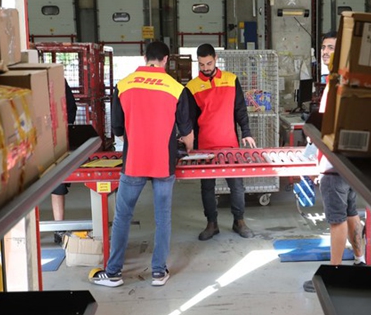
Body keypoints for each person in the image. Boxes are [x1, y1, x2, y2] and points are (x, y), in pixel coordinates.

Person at [91, 41, 194, 288]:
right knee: (163, 218)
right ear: (166, 60)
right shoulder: (176, 88)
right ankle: (159, 272)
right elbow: (187, 133)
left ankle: (113, 272)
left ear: (144, 57)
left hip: (134, 162)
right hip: (163, 164)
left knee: (123, 217)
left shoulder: (124, 85)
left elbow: (116, 130)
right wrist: (187, 148)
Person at [304, 32, 366, 294]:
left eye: (331, 48)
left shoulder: (336, 84)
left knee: (336, 221)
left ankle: (334, 273)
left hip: (333, 166)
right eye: (323, 48)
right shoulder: (343, 81)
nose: (326, 52)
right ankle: (360, 261)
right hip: (348, 164)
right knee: (352, 215)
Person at [186, 43, 257, 240]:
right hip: (205, 146)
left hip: (229, 143)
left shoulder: (231, 80)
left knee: (237, 186)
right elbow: (190, 120)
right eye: (201, 64)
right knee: (207, 187)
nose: (205, 68)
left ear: (215, 59)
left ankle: (239, 221)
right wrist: (190, 145)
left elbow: (240, 110)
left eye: (208, 63)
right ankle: (212, 223)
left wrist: (247, 132)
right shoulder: (191, 87)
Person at [52, 79, 77, 245]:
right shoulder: (58, 80)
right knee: (57, 181)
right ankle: (59, 228)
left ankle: (58, 226)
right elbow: (71, 107)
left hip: (29, 141)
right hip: (57, 138)